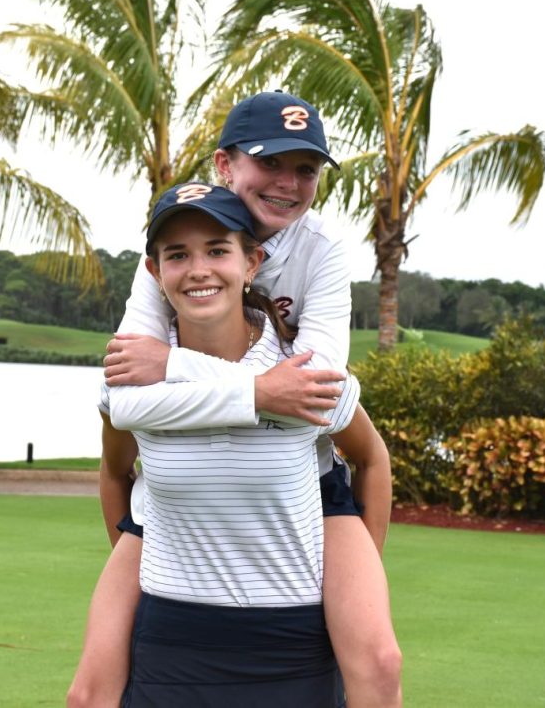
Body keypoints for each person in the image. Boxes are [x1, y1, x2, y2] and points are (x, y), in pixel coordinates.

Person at [69, 92, 397, 706]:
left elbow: (314, 385)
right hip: (170, 502)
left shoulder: (323, 249)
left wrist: (174, 364)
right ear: (225, 166)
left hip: (312, 484)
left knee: (378, 659)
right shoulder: (175, 242)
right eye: (269, 162)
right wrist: (250, 390)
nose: (288, 183)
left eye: (306, 169)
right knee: (89, 690)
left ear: (251, 262)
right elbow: (125, 399)